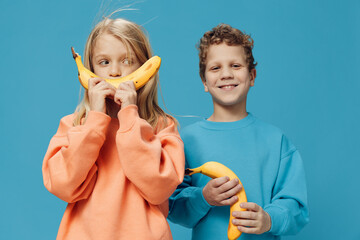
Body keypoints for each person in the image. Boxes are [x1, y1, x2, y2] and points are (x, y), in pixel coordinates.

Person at [42, 17, 185, 240]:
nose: (116, 72)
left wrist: (130, 117)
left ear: (144, 67)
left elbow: (159, 189)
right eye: (104, 62)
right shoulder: (74, 124)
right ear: (90, 69)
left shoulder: (162, 126)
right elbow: (63, 185)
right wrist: (95, 122)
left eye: (127, 60)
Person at [168, 24, 309, 240]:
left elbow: (296, 207)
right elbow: (173, 206)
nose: (226, 74)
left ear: (252, 76)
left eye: (235, 65)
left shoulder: (275, 141)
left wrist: (269, 219)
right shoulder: (185, 140)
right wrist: (203, 197)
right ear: (204, 81)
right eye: (216, 68)